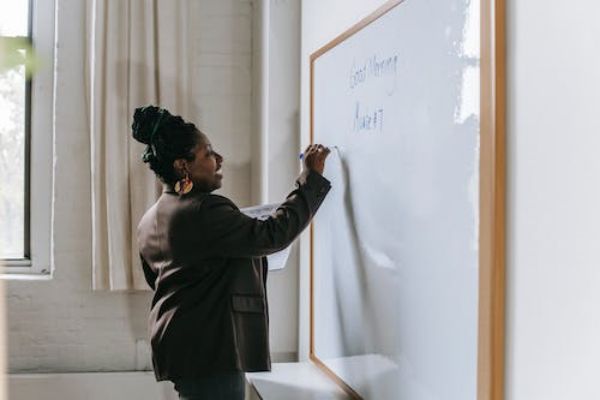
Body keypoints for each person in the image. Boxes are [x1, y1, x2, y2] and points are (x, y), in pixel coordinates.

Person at [132, 105, 331, 400]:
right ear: (182, 166)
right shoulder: (203, 210)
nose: (219, 159)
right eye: (208, 153)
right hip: (211, 351)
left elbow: (164, 281)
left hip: (179, 347)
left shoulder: (149, 219)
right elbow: (273, 234)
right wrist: (309, 179)